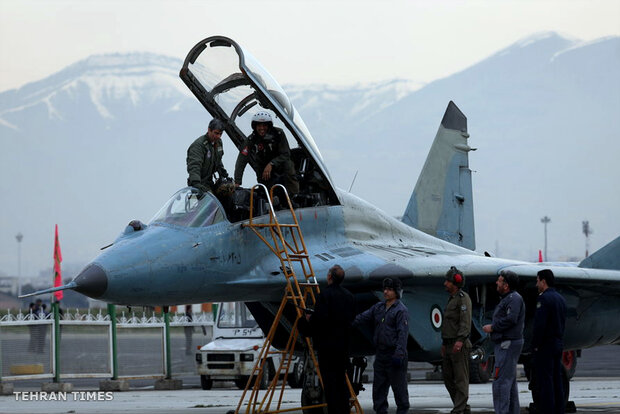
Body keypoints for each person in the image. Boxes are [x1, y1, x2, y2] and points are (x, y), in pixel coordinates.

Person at [353, 278, 409, 414]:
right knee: (378, 391)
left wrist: (399, 354)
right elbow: (362, 317)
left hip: (395, 355)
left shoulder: (401, 311)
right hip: (381, 355)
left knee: (399, 391)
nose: (385, 292)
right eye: (384, 289)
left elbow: (403, 334)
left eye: (389, 289)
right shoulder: (378, 307)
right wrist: (347, 322)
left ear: (396, 292)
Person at [305, 265, 355, 414]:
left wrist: (308, 320)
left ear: (329, 277)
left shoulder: (324, 296)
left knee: (330, 385)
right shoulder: (349, 296)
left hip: (327, 349)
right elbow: (351, 320)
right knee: (341, 383)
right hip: (344, 348)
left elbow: (320, 321)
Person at [482, 270, 525, 414]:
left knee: (501, 383)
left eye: (499, 281)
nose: (496, 283)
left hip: (507, 344)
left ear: (506, 285)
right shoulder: (509, 298)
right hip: (506, 344)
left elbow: (512, 319)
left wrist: (493, 327)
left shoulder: (513, 299)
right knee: (509, 383)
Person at [234, 111, 299, 195]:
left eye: (264, 125)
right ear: (255, 126)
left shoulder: (278, 134)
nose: (262, 128)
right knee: (264, 191)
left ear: (269, 126)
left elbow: (286, 154)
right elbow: (242, 160)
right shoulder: (251, 140)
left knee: (288, 164)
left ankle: (294, 195)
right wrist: (237, 182)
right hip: (263, 169)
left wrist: (271, 164)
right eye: (259, 125)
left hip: (279, 164)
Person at [531, 269, 567, 414]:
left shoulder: (544, 299)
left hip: (545, 346)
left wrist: (535, 346)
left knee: (546, 381)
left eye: (537, 280)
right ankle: (559, 409)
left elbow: (540, 326)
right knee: (557, 380)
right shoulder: (561, 299)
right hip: (558, 344)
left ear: (543, 281)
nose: (536, 284)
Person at [441, 266, 472, 414]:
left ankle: (458, 410)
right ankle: (463, 407)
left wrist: (460, 340)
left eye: (447, 281)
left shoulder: (462, 298)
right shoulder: (451, 299)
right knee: (448, 378)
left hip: (458, 345)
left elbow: (465, 322)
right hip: (448, 344)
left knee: (460, 379)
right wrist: (443, 343)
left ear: (455, 283)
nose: (445, 284)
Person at [186, 118, 230, 193]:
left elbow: (218, 161)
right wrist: (196, 184)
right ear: (209, 130)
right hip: (199, 185)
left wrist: (225, 175)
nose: (218, 136)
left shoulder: (218, 142)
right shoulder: (198, 146)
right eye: (216, 133)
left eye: (220, 134)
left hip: (209, 182)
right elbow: (194, 166)